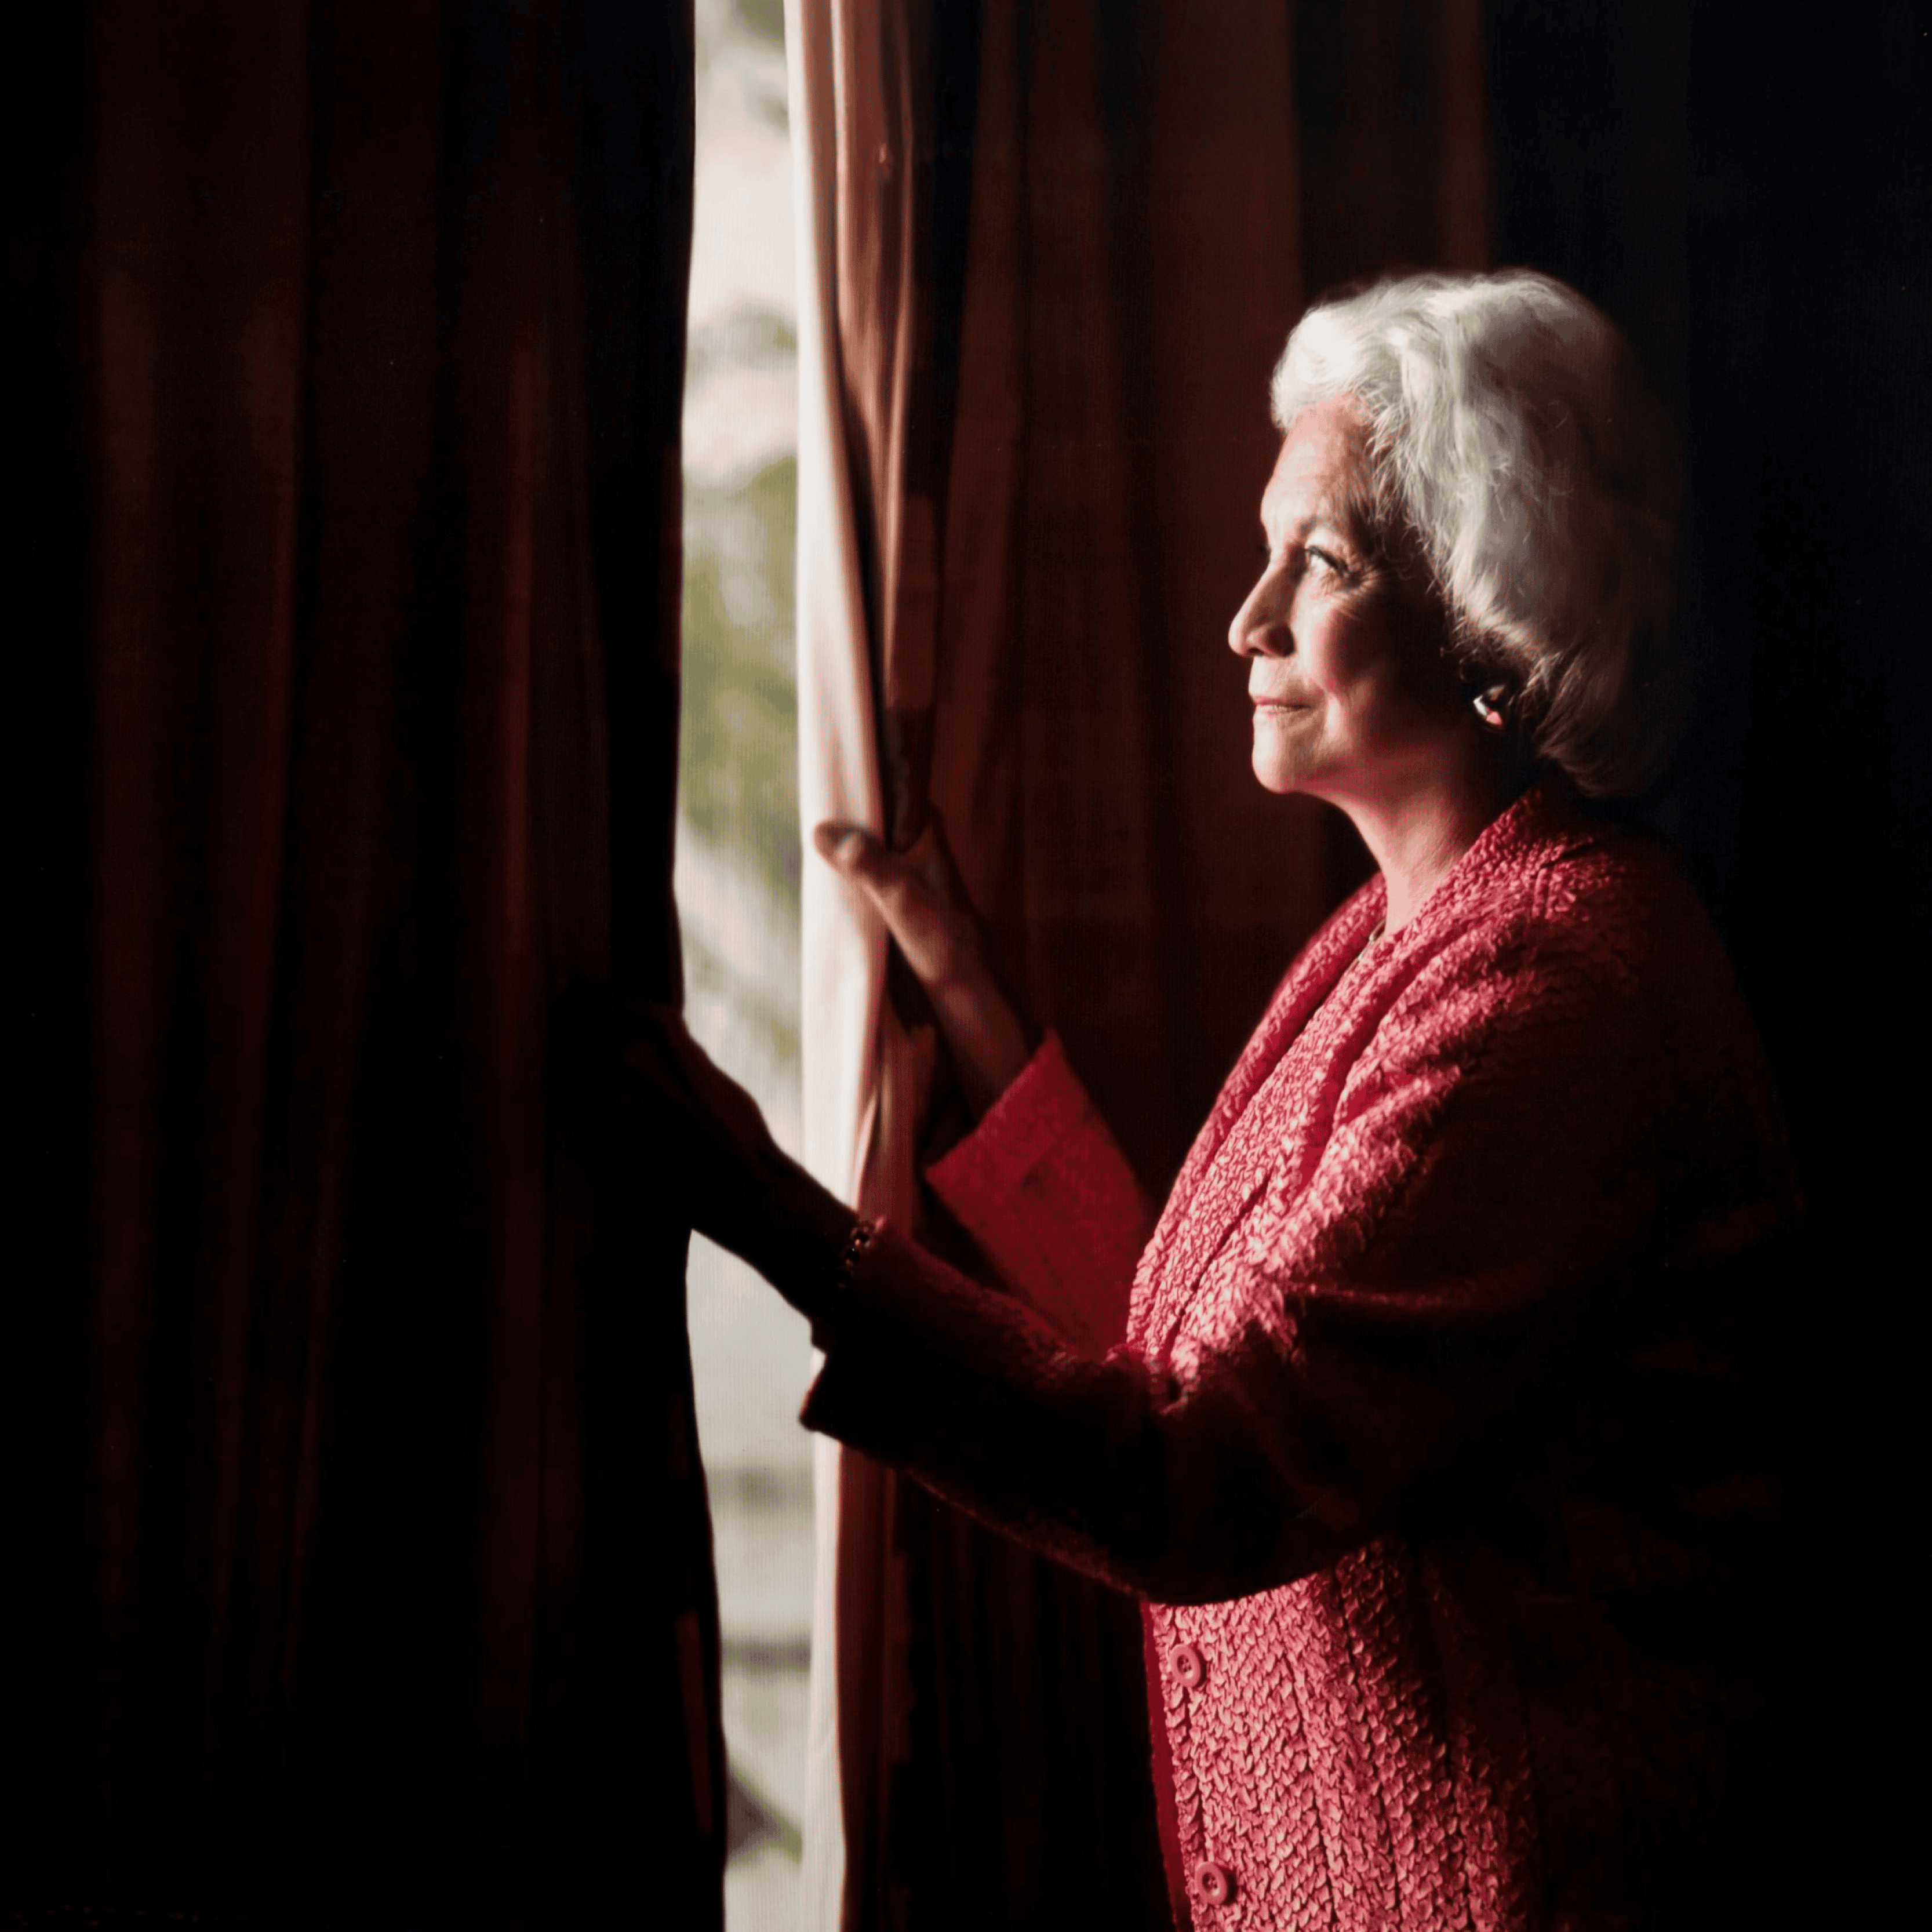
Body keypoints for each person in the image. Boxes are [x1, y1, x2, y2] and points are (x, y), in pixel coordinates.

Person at [585, 271, 1799, 1930]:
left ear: (1491, 602)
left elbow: (1202, 1473)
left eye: (1320, 561)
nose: (1246, 620)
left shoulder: (1558, 983)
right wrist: (966, 996)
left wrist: (766, 1209)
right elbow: (1192, 1345)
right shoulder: (1414, 929)